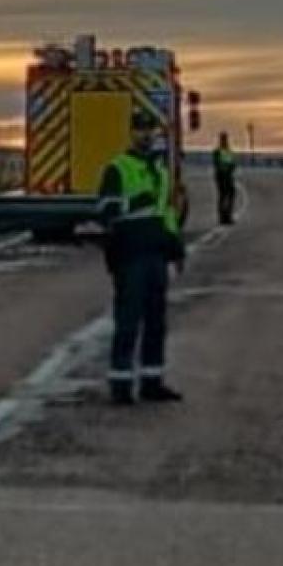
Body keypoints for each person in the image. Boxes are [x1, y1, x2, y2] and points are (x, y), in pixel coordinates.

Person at [97, 110, 186, 405]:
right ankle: (121, 384)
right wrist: (135, 201)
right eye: (139, 130)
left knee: (156, 322)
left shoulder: (160, 171)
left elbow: (167, 214)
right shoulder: (117, 169)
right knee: (128, 321)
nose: (145, 135)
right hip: (129, 255)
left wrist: (176, 248)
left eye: (150, 131)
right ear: (131, 133)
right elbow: (105, 211)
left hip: (157, 255)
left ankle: (152, 381)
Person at [212, 132, 238, 226]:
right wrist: (226, 168)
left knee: (230, 195)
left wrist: (231, 167)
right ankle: (223, 217)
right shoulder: (218, 152)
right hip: (221, 176)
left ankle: (227, 216)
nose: (225, 140)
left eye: (226, 138)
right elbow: (217, 164)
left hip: (228, 176)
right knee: (223, 196)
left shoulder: (228, 151)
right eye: (224, 139)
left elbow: (233, 163)